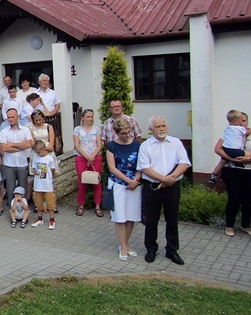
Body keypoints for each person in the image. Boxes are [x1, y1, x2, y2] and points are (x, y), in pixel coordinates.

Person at [137, 116, 191, 265]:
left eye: (163, 126)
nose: (161, 129)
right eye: (158, 126)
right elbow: (145, 168)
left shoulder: (175, 142)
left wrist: (170, 178)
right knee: (151, 220)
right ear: (151, 129)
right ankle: (151, 249)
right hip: (152, 187)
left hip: (172, 187)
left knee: (172, 219)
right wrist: (163, 179)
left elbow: (184, 163)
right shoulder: (145, 146)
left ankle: (172, 250)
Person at [106, 119, 142, 260]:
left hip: (135, 184)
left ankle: (125, 245)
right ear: (116, 133)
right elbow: (112, 168)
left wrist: (136, 180)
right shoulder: (111, 146)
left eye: (128, 132)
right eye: (123, 133)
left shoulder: (137, 145)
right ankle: (123, 246)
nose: (127, 135)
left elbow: (142, 165)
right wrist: (128, 181)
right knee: (120, 217)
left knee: (131, 216)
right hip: (119, 184)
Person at [214, 111, 251, 237]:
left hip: (249, 171)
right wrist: (231, 159)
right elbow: (218, 149)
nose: (241, 123)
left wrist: (247, 159)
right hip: (232, 171)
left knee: (249, 200)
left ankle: (245, 226)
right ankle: (230, 226)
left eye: (244, 120)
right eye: (240, 120)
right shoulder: (229, 132)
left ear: (247, 122)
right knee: (234, 199)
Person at [0, 109, 33, 218]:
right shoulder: (4, 131)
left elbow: (29, 144)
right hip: (9, 164)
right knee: (10, 188)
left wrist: (12, 145)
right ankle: (12, 211)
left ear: (17, 117)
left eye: (12, 117)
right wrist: (20, 146)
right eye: (8, 117)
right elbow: (4, 147)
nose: (10, 119)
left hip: (22, 163)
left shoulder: (25, 130)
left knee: (23, 187)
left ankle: (24, 211)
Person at [73, 109, 104, 217]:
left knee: (97, 182)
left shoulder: (97, 129)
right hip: (81, 158)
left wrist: (93, 157)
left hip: (96, 158)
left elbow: (100, 145)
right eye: (88, 117)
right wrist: (87, 157)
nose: (90, 119)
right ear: (83, 118)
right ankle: (81, 205)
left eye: (91, 117)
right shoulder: (77, 129)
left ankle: (98, 206)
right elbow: (77, 145)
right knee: (82, 183)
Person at [30, 140, 57, 229]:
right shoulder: (36, 158)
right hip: (38, 185)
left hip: (47, 185)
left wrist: (50, 178)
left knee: (50, 203)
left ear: (44, 149)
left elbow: (52, 170)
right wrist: (36, 173)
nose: (38, 154)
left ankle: (52, 219)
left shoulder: (49, 158)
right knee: (39, 203)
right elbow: (33, 169)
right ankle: (39, 218)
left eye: (39, 152)